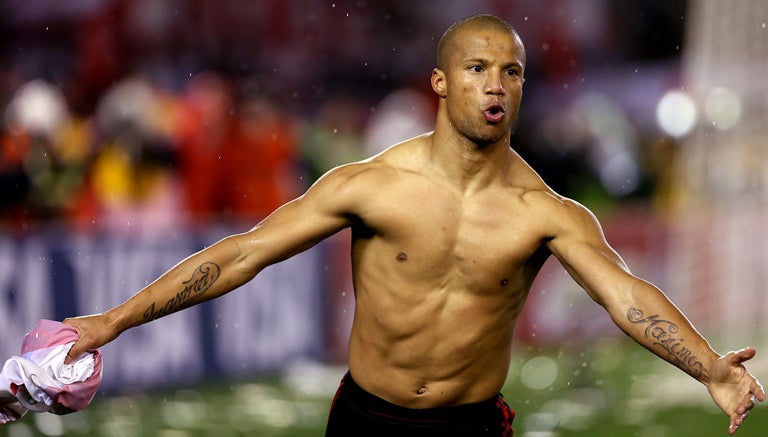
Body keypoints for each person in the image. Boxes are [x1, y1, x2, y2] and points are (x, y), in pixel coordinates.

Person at [62, 14, 763, 436]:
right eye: (478, 68)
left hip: (470, 425)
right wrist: (111, 322)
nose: (496, 84)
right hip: (367, 421)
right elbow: (245, 253)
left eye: (512, 71)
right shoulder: (370, 184)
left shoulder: (545, 212)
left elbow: (626, 294)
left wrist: (710, 367)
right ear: (440, 83)